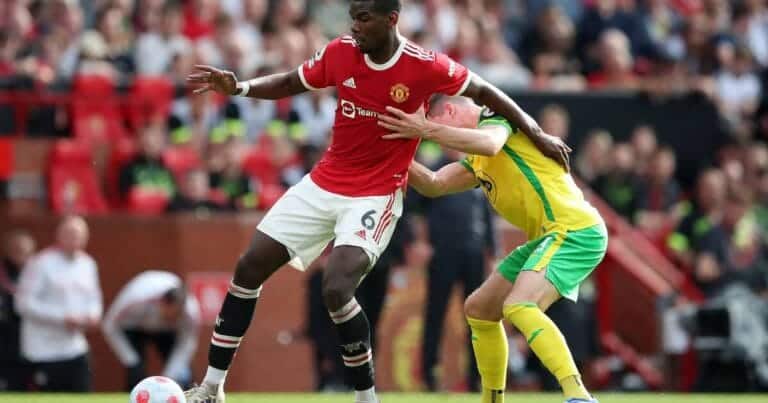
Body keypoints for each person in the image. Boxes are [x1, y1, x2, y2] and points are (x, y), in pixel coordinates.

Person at [184, 1, 570, 401]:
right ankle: (212, 386)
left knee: (336, 288)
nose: (355, 27)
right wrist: (241, 88)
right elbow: (291, 82)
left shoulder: (425, 65)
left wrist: (537, 133)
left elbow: (487, 91)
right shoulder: (341, 51)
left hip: (375, 193)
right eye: (353, 18)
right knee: (249, 266)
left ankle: (366, 397)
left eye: (364, 19)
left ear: (392, 19)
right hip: (325, 181)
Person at [377, 95, 607, 403]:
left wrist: (424, 129)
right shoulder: (477, 161)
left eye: (434, 123)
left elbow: (489, 143)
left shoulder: (496, 118)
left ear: (450, 110)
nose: (435, 136)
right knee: (479, 309)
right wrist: (391, 155)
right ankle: (492, 399)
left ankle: (579, 395)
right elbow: (434, 183)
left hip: (575, 230)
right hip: (548, 238)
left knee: (519, 304)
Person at [412, 148, 496, 392]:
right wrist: (420, 242)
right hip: (442, 252)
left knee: (477, 317)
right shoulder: (433, 170)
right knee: (435, 314)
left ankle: (476, 378)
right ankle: (429, 376)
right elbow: (414, 210)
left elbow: (486, 215)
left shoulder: (476, 169)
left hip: (473, 253)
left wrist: (492, 251)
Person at [15, 216, 103, 392]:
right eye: (70, 234)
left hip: (75, 347)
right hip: (43, 350)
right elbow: (23, 303)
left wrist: (93, 316)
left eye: (79, 235)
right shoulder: (40, 263)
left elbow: (94, 298)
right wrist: (62, 318)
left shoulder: (88, 264)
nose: (75, 239)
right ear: (59, 235)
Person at [102, 270, 201, 390]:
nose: (173, 319)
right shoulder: (136, 299)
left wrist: (169, 377)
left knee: (183, 376)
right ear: (162, 302)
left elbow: (186, 345)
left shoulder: (191, 312)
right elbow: (109, 325)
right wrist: (131, 359)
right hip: (133, 327)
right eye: (170, 315)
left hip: (167, 333)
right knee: (136, 373)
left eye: (177, 316)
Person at [0, 230, 36, 391]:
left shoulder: (40, 274)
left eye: (24, 250)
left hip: (35, 345)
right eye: (16, 249)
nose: (20, 253)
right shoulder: (2, 274)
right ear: (7, 250)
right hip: (5, 346)